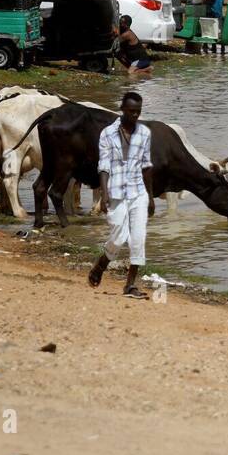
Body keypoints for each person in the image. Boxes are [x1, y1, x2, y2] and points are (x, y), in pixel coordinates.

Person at [87, 92, 155, 300]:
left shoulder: (144, 133)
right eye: (131, 111)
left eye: (138, 112)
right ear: (122, 109)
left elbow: (146, 166)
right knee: (118, 236)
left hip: (138, 192)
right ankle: (102, 262)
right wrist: (104, 194)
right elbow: (104, 166)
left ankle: (130, 285)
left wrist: (151, 197)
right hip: (115, 192)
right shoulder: (107, 133)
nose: (135, 115)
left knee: (138, 238)